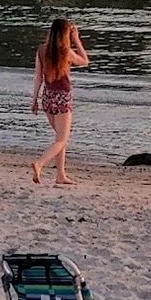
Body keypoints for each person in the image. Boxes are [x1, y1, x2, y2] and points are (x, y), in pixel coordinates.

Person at [30, 18, 89, 186]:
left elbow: (38, 78)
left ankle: (60, 175)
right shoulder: (66, 51)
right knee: (62, 139)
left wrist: (34, 100)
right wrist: (77, 39)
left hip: (47, 97)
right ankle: (40, 163)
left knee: (60, 138)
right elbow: (85, 61)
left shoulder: (42, 50)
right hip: (62, 98)